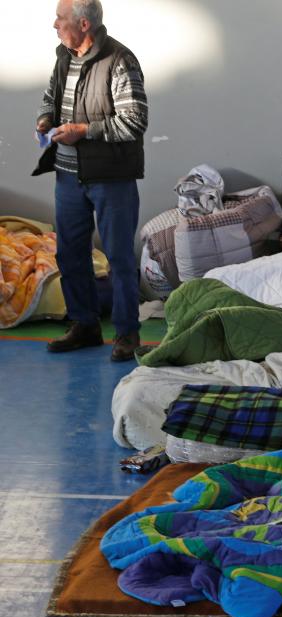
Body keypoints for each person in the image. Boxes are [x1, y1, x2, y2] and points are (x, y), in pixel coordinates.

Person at [33, 0, 148, 362]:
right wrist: (44, 119)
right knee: (70, 255)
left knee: (118, 258)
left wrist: (83, 131)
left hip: (111, 179)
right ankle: (85, 326)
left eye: (60, 18)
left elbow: (134, 121)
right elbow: (50, 97)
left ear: (83, 24)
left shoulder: (120, 61)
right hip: (68, 177)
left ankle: (127, 334)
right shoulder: (63, 56)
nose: (54, 24)